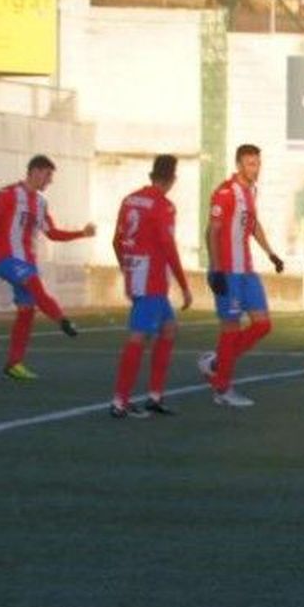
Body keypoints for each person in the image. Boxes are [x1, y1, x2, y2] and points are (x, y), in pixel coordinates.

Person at [201, 144, 285, 408]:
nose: (255, 168)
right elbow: (211, 232)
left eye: (257, 163)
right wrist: (215, 268)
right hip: (228, 271)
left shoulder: (251, 191)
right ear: (239, 165)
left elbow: (253, 224)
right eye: (250, 164)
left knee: (263, 324)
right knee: (231, 328)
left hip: (247, 270)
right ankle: (222, 390)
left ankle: (216, 363)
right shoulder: (225, 193)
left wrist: (271, 253)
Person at [0, 154, 95, 380]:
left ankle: (14, 364)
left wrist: (82, 233)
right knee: (33, 283)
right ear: (35, 171)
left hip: (26, 261)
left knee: (26, 310)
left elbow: (52, 233)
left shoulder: (41, 202)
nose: (49, 181)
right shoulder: (8, 194)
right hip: (6, 259)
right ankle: (63, 320)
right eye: (48, 175)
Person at [109, 155, 191, 418]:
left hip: (136, 273)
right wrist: (184, 285)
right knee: (138, 336)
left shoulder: (129, 199)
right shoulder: (163, 206)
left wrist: (127, 269)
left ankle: (154, 396)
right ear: (172, 178)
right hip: (152, 278)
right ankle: (120, 401)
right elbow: (168, 248)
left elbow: (116, 241)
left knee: (168, 329)